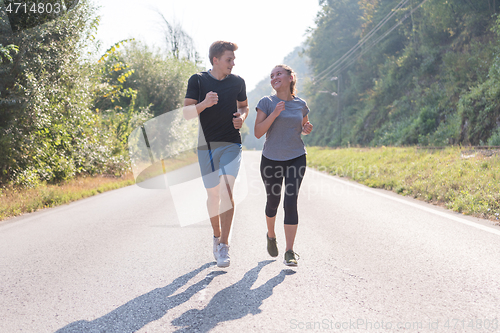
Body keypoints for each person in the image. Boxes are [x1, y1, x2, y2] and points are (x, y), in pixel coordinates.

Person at [184, 41, 248, 268]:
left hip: (232, 143)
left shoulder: (238, 82)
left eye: (233, 59)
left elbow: (244, 106)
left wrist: (242, 118)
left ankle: (224, 245)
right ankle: (216, 235)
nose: (233, 63)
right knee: (213, 196)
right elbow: (186, 113)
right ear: (216, 60)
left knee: (226, 189)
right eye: (229, 59)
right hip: (207, 146)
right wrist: (204, 104)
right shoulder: (198, 80)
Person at [254, 64, 313, 266]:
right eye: (272, 75)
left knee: (290, 201)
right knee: (273, 201)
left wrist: (306, 128)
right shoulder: (267, 102)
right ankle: (271, 235)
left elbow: (302, 127)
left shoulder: (300, 104)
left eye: (279, 73)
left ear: (290, 77)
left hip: (296, 156)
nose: (274, 77)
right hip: (271, 159)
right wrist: (274, 114)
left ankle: (289, 251)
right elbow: (258, 132)